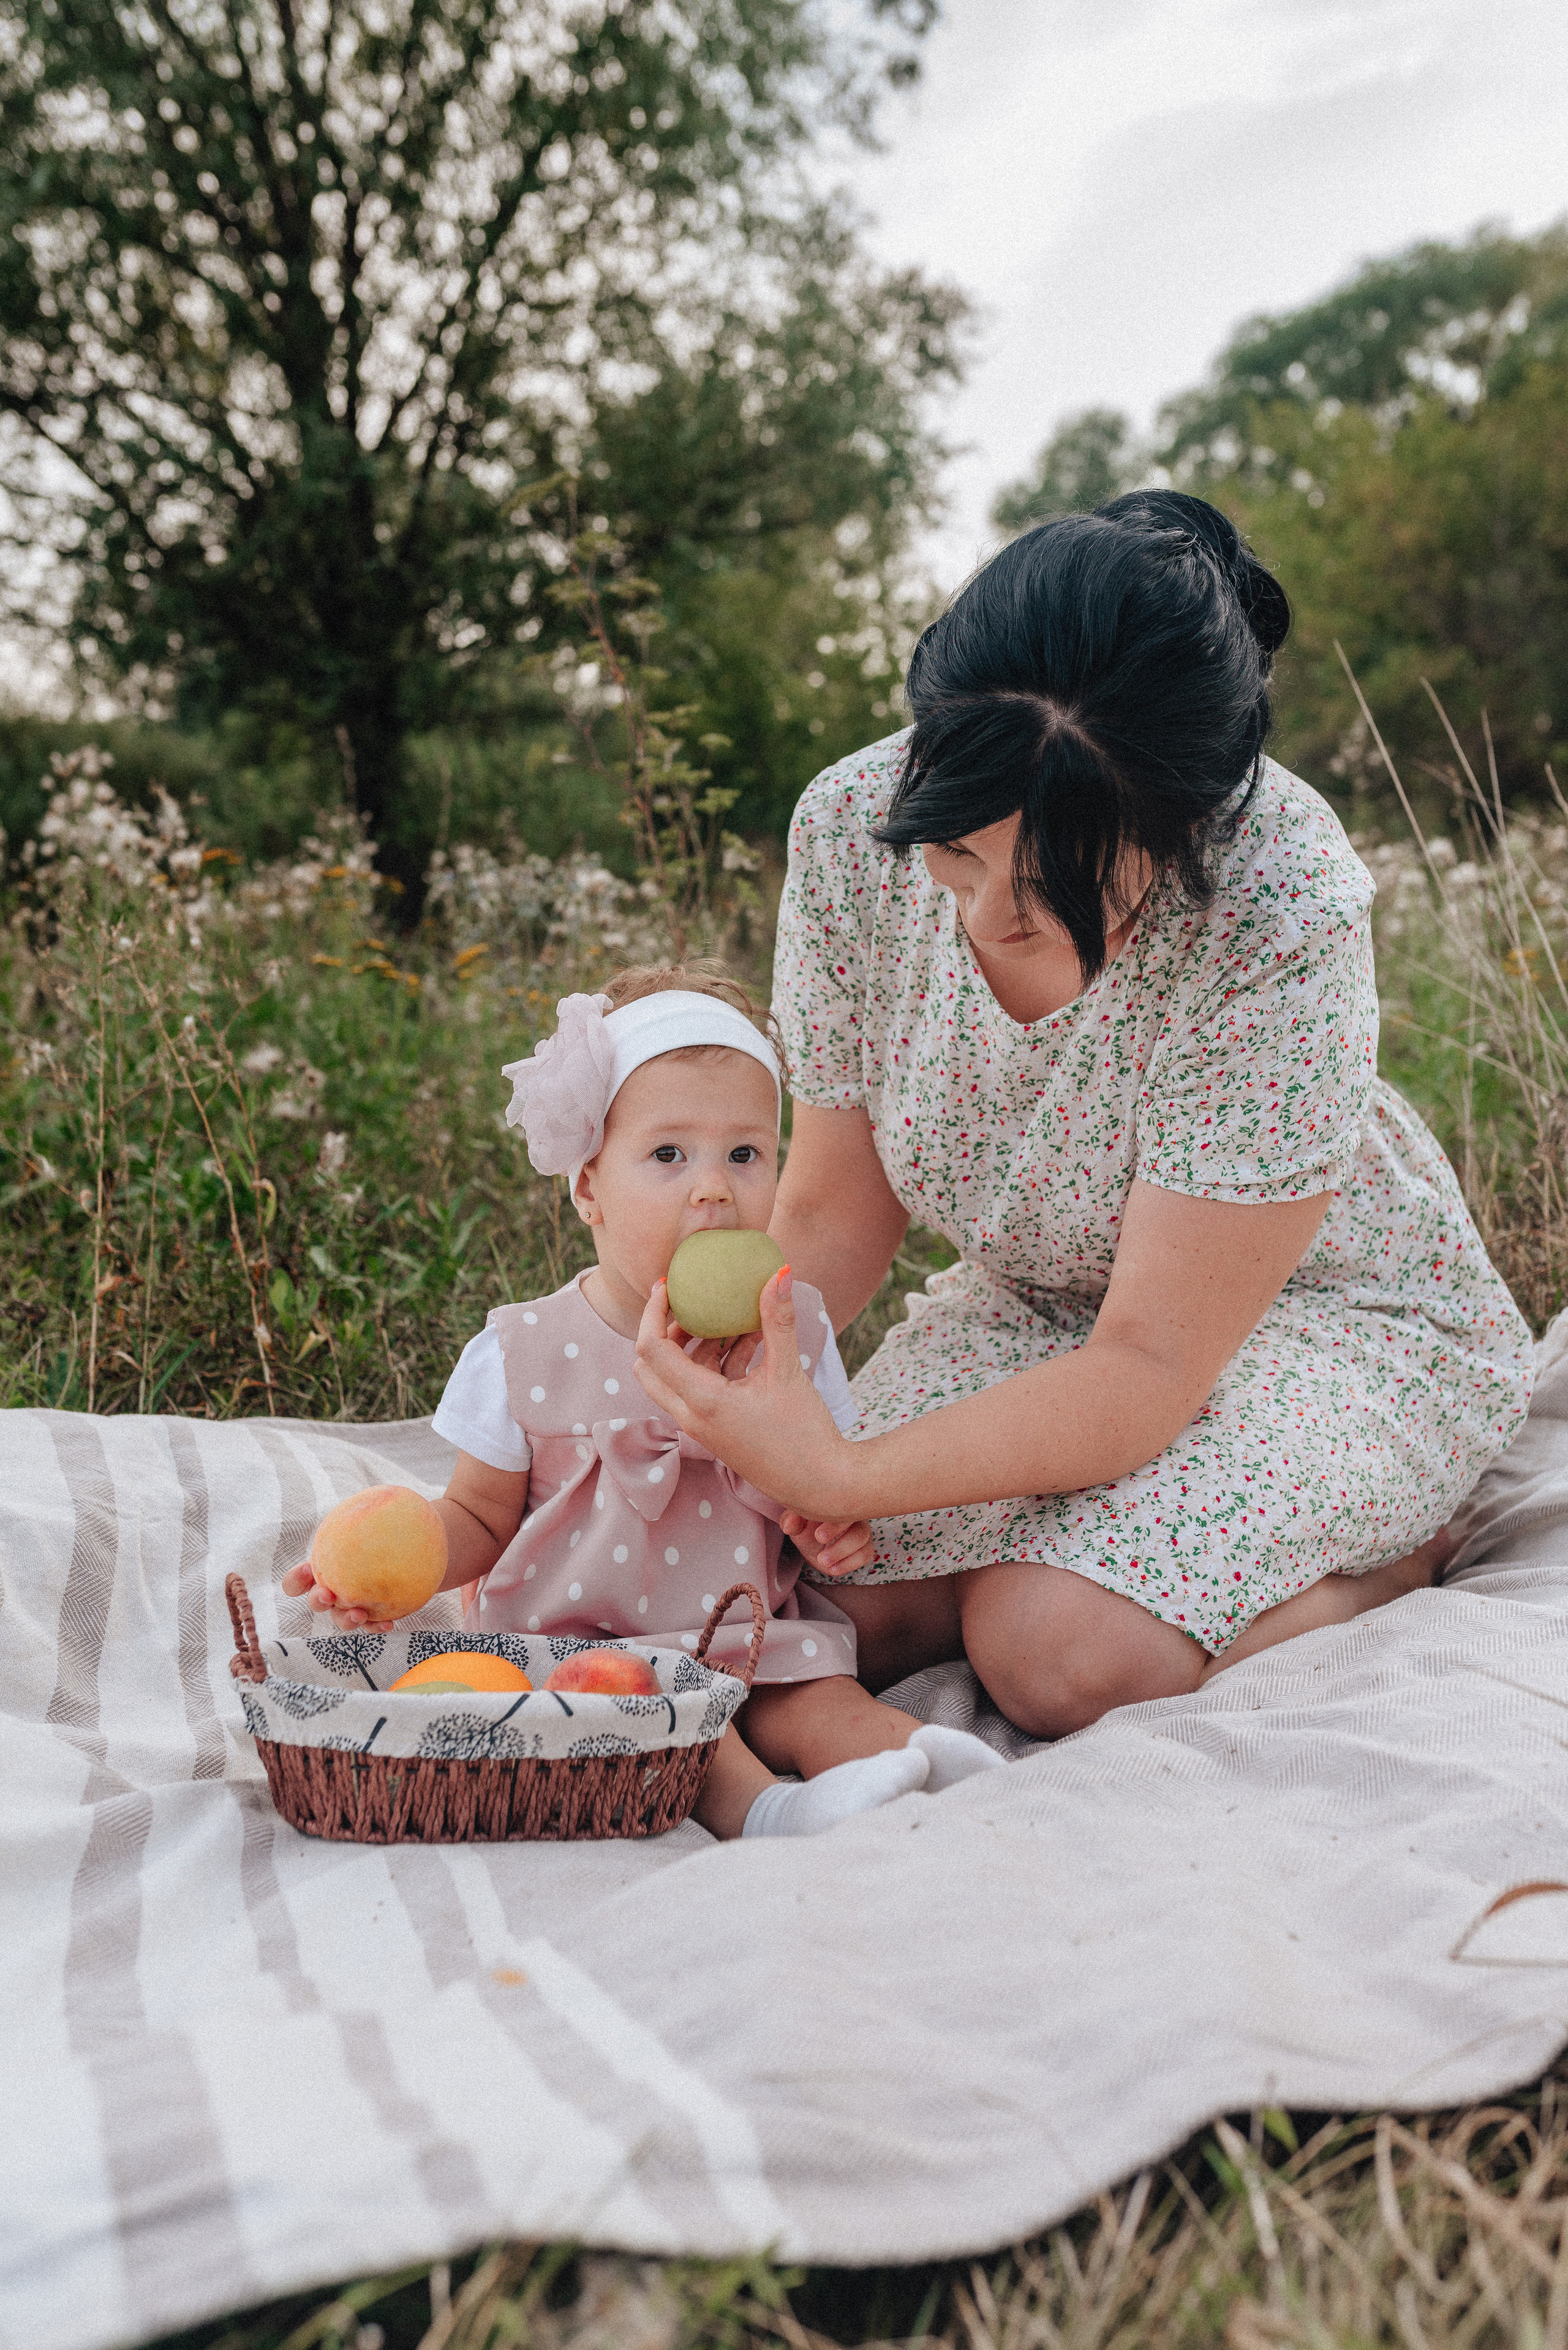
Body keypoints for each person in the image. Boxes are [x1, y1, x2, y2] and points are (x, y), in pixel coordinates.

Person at [631, 491, 1536, 1739]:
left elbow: (1148, 1362)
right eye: (958, 857)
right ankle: (1069, 1554)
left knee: (1056, 1649)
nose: (987, 917)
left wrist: (847, 1466)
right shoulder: (849, 826)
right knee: (803, 1594)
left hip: (1304, 1320)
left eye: (1062, 886)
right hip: (1037, 1313)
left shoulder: (1282, 897)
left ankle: (1385, 1557)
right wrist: (737, 1386)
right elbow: (834, 1206)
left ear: (1187, 825)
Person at [282, 967, 1001, 1838]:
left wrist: (830, 1527)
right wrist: (401, 1571)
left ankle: (930, 1768)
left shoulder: (791, 1332)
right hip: (582, 1651)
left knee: (822, 1698)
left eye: (746, 1154)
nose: (714, 1188)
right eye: (669, 1155)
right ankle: (773, 1814)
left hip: (742, 1631)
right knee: (673, 1725)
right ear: (589, 1187)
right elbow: (477, 1515)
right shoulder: (526, 1351)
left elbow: (819, 1480)